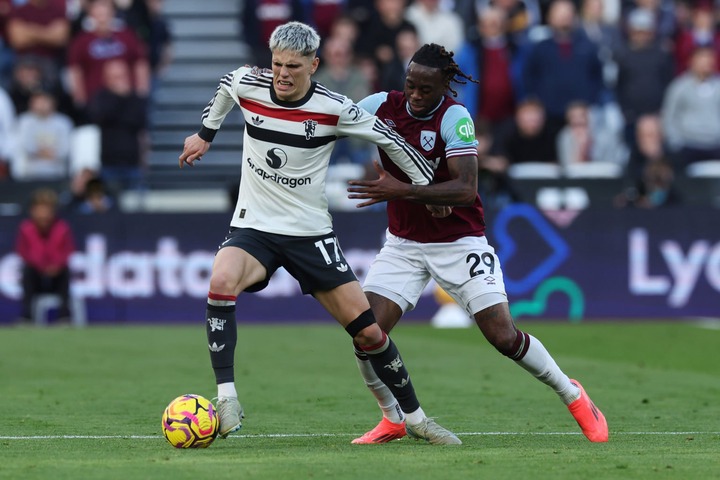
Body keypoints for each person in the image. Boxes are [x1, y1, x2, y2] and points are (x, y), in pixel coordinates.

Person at [177, 21, 460, 445]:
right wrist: (205, 134)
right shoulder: (249, 84)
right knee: (220, 279)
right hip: (254, 227)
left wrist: (424, 188)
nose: (282, 74)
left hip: (310, 235)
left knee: (368, 332)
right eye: (276, 64)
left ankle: (415, 419)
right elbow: (226, 85)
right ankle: (227, 398)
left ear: (314, 64)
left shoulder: (335, 108)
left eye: (293, 65)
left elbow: (392, 139)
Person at [346, 43, 608, 444]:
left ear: (445, 87)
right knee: (366, 334)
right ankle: (392, 418)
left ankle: (573, 395)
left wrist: (403, 189)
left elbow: (466, 189)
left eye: (426, 90)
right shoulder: (381, 105)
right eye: (411, 85)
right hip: (402, 244)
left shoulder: (455, 117)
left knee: (503, 336)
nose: (416, 96)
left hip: (459, 242)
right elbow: (330, 118)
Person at [15, 188, 75, 323]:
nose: (44, 215)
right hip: (36, 274)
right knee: (27, 271)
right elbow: (24, 252)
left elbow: (67, 251)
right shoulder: (26, 228)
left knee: (65, 272)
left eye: (47, 210)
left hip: (56, 275)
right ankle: (27, 316)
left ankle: (64, 315)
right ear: (33, 211)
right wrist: (41, 266)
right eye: (40, 209)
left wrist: (56, 266)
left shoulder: (62, 227)